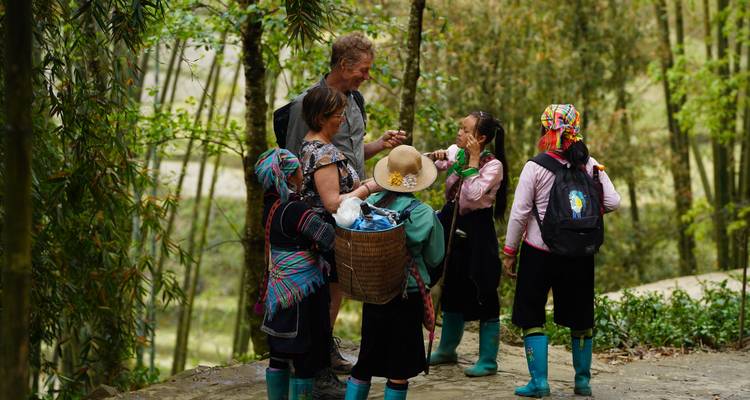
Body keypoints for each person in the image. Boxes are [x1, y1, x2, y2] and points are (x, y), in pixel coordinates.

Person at [285, 32, 405, 375]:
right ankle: (308, 357)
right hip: (321, 212)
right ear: (343, 65)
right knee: (316, 287)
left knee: (336, 284)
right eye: (363, 70)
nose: (367, 76)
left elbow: (345, 156)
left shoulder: (355, 102)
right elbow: (300, 161)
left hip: (348, 208)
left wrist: (379, 145)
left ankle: (323, 348)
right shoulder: (306, 104)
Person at [501, 104, 620, 397]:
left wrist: (509, 251)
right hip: (580, 252)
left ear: (545, 130)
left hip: (539, 250)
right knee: (580, 314)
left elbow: (519, 213)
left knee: (532, 313)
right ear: (576, 131)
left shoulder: (536, 166)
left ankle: (539, 383)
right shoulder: (590, 165)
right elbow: (615, 201)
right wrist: (585, 220)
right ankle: (582, 382)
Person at [344, 145, 445, 400]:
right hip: (406, 294)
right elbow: (435, 257)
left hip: (374, 292)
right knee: (399, 367)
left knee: (365, 360)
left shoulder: (369, 204)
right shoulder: (423, 214)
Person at [427, 111, 509, 377]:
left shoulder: (493, 166)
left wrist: (473, 160)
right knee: (452, 281)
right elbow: (434, 168)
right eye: (460, 128)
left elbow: (473, 195)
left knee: (482, 283)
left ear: (481, 138)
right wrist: (435, 158)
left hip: (478, 227)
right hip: (452, 220)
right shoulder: (455, 152)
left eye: (466, 130)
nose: (459, 134)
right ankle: (447, 348)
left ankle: (488, 359)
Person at [254, 148, 335, 400]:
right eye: (299, 169)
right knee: (304, 357)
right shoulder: (294, 210)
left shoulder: (270, 207)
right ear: (289, 177)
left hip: (278, 291)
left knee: (278, 354)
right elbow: (326, 237)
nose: (303, 172)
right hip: (302, 292)